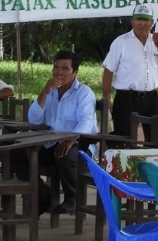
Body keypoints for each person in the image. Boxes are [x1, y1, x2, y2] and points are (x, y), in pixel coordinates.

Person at [18, 50, 99, 213]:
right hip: (51, 142)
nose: (59, 72)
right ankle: (42, 194)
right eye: (56, 67)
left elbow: (86, 122)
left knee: (64, 155)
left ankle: (72, 199)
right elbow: (34, 120)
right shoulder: (50, 91)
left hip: (79, 143)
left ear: (75, 72)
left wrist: (70, 140)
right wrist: (44, 92)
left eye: (65, 69)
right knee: (17, 152)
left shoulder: (84, 93)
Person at [102, 3, 158, 141]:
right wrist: (106, 97)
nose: (142, 23)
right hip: (126, 98)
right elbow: (108, 69)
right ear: (132, 21)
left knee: (156, 140)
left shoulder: (157, 41)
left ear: (152, 23)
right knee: (124, 139)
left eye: (146, 20)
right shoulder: (121, 42)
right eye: (139, 19)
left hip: (151, 98)